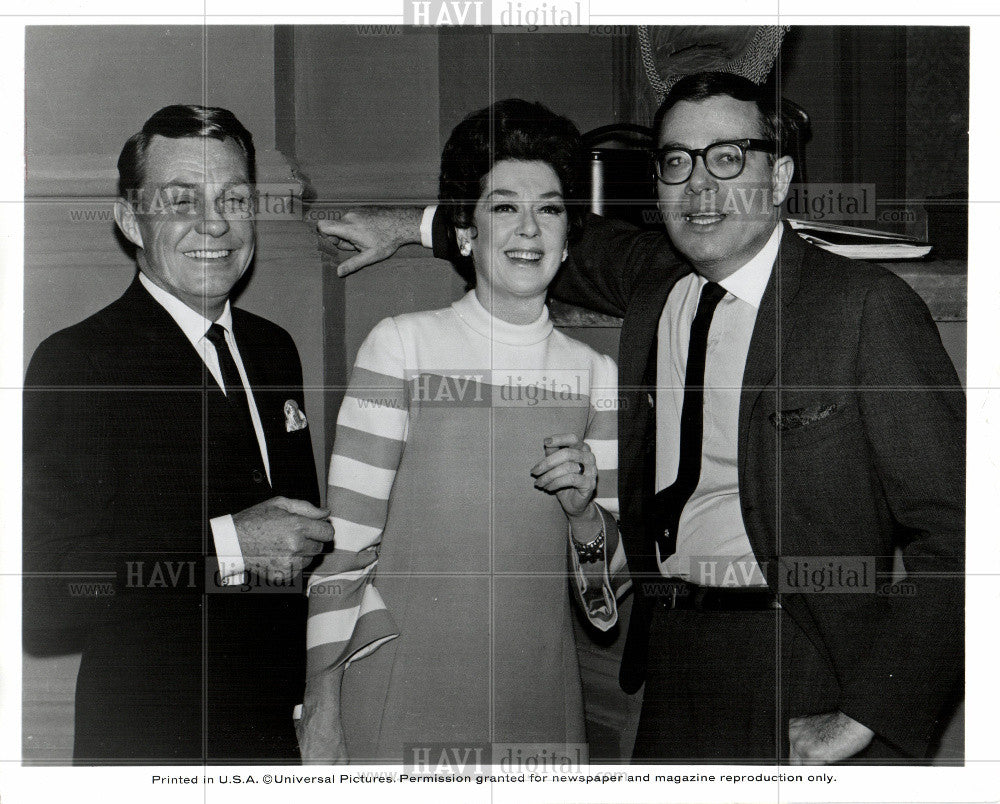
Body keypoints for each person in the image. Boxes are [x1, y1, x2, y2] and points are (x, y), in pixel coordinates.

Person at [315, 73, 964, 764]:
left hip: (805, 664)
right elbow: (534, 231)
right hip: (673, 661)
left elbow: (963, 535)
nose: (699, 186)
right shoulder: (657, 278)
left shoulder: (863, 308)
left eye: (728, 156)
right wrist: (409, 226)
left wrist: (868, 714)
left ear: (778, 177)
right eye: (677, 161)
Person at [297, 99, 626, 764]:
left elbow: (604, 602)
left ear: (568, 239)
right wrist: (322, 708)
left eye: (551, 208)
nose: (529, 228)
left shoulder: (596, 375)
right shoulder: (401, 348)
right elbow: (346, 552)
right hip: (401, 694)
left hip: (538, 703)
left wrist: (586, 513)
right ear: (466, 231)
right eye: (504, 206)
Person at [22, 105, 336, 764]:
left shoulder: (275, 351)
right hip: (149, 746)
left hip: (274, 746)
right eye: (182, 200)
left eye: (234, 198)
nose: (215, 223)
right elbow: (48, 586)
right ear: (131, 219)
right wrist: (227, 545)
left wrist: (315, 705)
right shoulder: (79, 363)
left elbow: (301, 558)